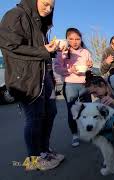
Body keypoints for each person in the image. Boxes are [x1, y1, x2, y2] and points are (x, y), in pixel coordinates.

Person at [0, 0, 64, 171]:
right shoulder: (16, 15)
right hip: (26, 78)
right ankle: (33, 160)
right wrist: (45, 50)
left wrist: (54, 49)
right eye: (45, 3)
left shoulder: (40, 25)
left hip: (44, 76)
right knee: (35, 117)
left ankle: (44, 150)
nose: (48, 8)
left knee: (51, 112)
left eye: (52, 6)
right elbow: (9, 46)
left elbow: (41, 50)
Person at [54, 28, 93, 147]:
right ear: (67, 39)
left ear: (81, 39)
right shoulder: (62, 52)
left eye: (77, 39)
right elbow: (57, 68)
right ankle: (75, 134)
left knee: (88, 110)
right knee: (72, 112)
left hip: (84, 84)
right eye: (71, 39)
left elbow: (89, 67)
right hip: (70, 85)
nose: (75, 41)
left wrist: (89, 65)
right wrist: (69, 70)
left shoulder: (86, 52)